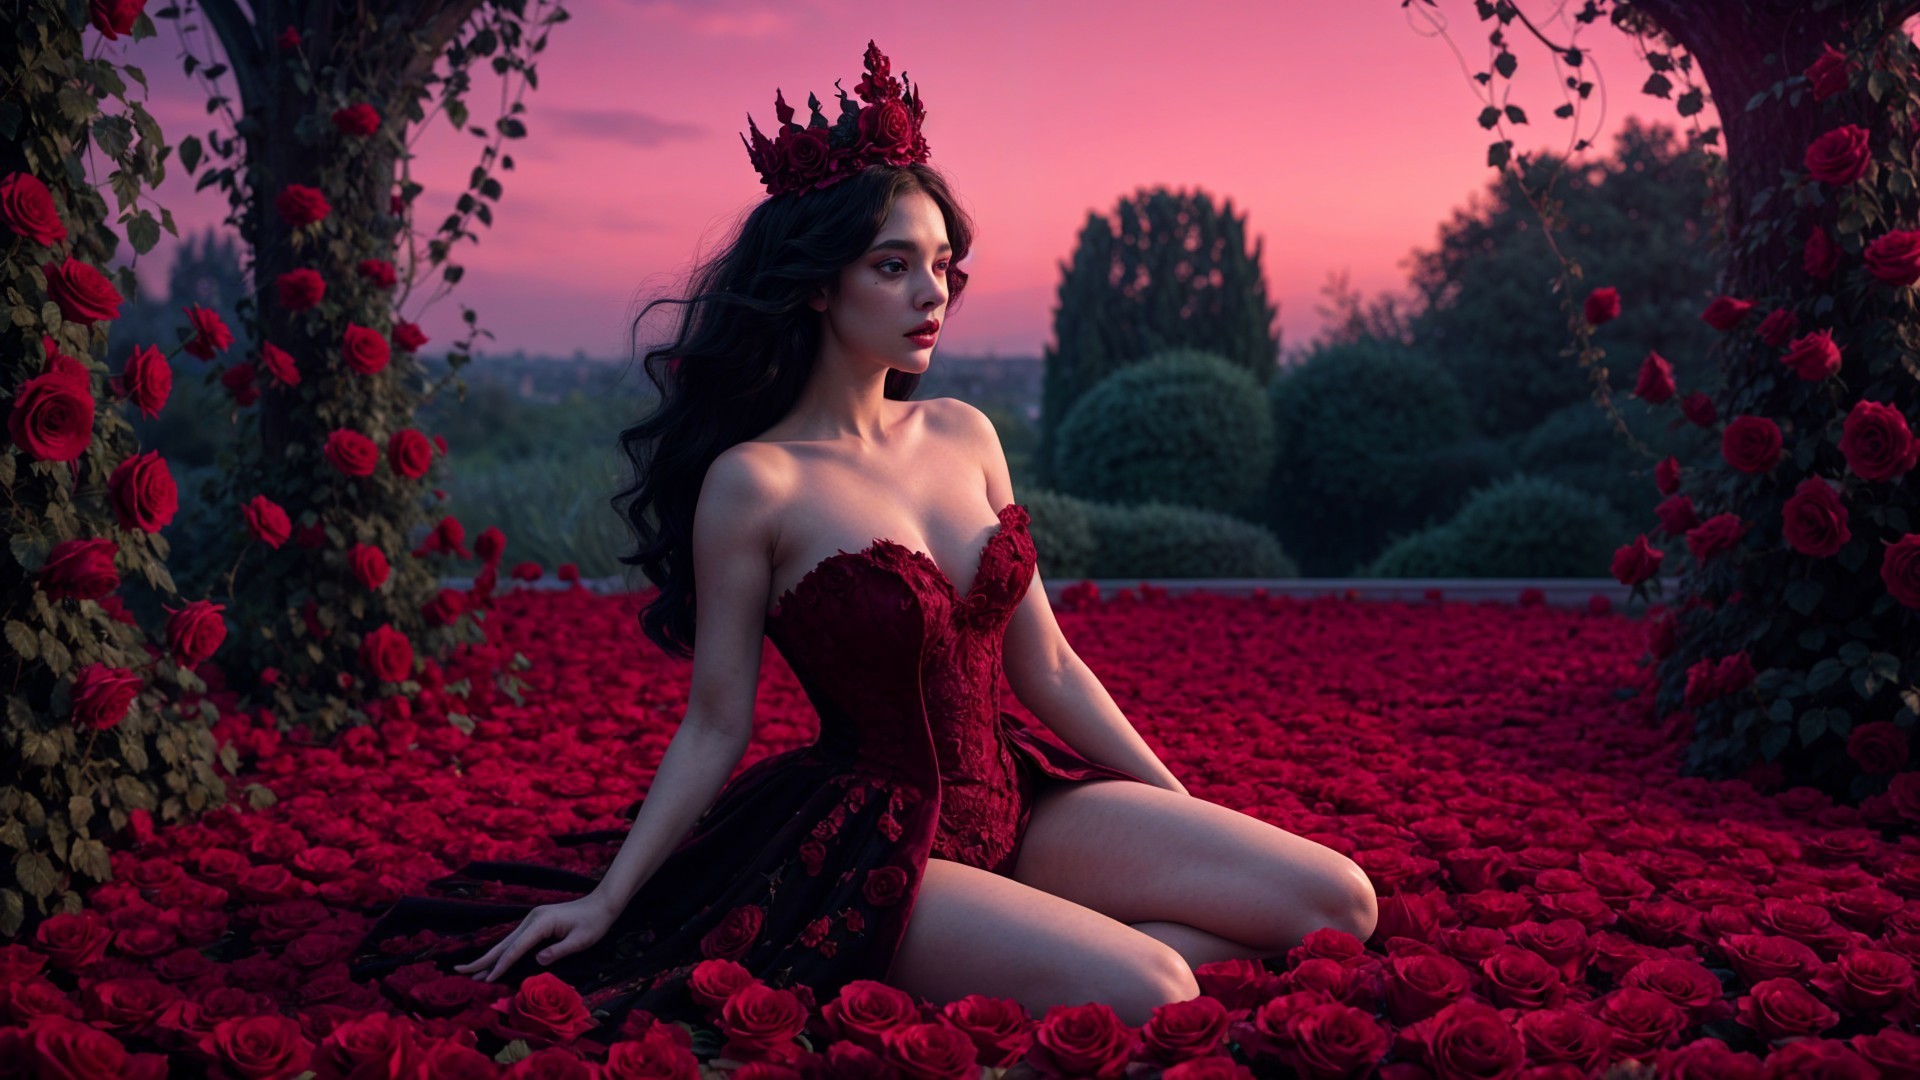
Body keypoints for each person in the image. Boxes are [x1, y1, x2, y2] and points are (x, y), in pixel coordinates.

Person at [349, 41, 1378, 1042]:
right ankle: (1035, 952)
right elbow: (716, 722)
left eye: (942, 265)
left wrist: (1176, 814)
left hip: (1020, 798)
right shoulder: (755, 483)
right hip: (878, 842)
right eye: (893, 266)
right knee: (1156, 988)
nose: (931, 293)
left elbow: (1049, 664)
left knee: (1340, 901)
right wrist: (613, 900)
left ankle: (1048, 950)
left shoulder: (965, 433)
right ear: (815, 285)